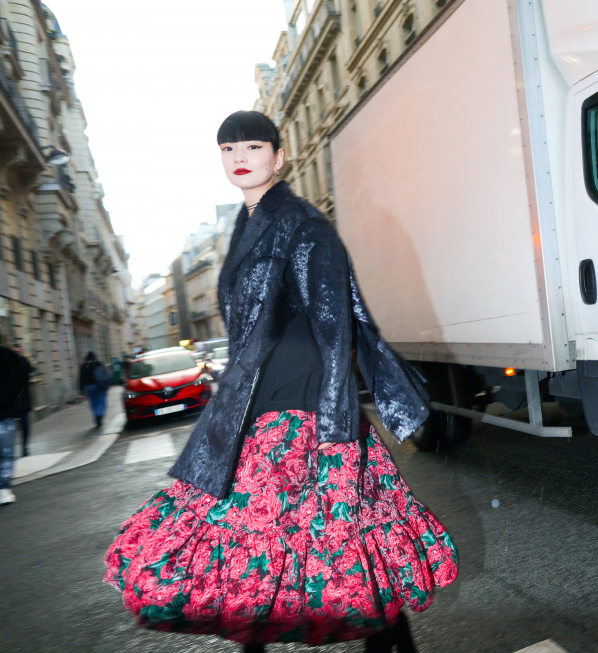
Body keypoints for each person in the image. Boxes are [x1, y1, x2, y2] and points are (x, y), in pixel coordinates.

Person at [104, 110, 458, 652]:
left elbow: (335, 325)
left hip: (302, 403)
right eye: (228, 150)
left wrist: (333, 425)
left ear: (278, 156)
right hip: (258, 401)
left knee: (317, 537)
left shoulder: (303, 224)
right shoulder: (249, 223)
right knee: (284, 539)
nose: (239, 158)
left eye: (251, 147)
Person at [0, 344, 30, 505]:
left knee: (6, 453)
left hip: (5, 412)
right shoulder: (6, 355)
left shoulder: (5, 355)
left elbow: (22, 374)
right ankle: (4, 487)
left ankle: (4, 487)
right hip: (5, 411)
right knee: (6, 453)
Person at [9, 344, 32, 456]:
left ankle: (24, 446)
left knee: (24, 424)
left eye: (17, 351)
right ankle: (12, 447)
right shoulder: (6, 364)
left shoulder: (23, 362)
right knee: (10, 425)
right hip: (11, 399)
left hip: (22, 397)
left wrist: (22, 357)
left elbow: (30, 370)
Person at [79, 352, 109, 428]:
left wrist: (81, 391)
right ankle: (100, 414)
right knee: (101, 401)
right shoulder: (98, 364)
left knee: (94, 403)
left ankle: (96, 414)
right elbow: (105, 374)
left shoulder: (84, 366)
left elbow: (81, 379)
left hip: (89, 387)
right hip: (100, 386)